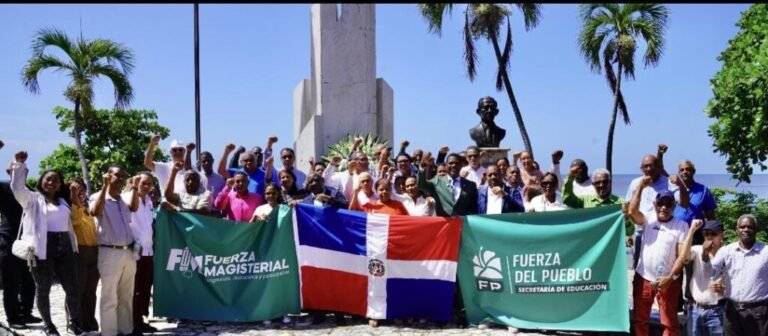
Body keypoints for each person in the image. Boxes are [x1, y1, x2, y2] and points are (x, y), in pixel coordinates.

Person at [10, 151, 83, 336]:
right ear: (41, 181)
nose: (51, 183)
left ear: (59, 185)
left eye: (55, 180)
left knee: (72, 287)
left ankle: (74, 322)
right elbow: (17, 188)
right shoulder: (32, 199)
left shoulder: (62, 201)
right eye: (48, 179)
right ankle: (48, 325)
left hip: (65, 244)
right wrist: (19, 164)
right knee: (43, 289)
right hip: (42, 247)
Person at [627, 176, 691, 336]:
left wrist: (670, 277)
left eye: (668, 204)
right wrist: (640, 187)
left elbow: (682, 256)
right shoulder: (649, 218)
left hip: (668, 281)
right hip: (644, 278)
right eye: (661, 203)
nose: (664, 207)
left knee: (669, 323)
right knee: (640, 320)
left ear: (674, 206)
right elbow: (632, 212)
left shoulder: (681, 225)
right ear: (655, 204)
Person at [90, 165, 140, 336]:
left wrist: (134, 187)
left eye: (122, 176)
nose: (120, 179)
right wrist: (104, 186)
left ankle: (126, 330)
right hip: (109, 252)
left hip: (127, 252)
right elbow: (95, 211)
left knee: (126, 294)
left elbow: (134, 208)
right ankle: (109, 333)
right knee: (109, 295)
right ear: (108, 175)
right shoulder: (97, 197)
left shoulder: (122, 200)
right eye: (117, 175)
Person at [706, 214, 768, 336]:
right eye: (742, 227)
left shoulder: (765, 252)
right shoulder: (727, 251)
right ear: (737, 230)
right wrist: (705, 255)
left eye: (750, 227)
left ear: (756, 229)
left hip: (758, 312)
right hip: (732, 311)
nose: (745, 230)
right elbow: (711, 271)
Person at [0, 156, 39, 330]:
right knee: (12, 282)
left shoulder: (32, 191)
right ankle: (13, 317)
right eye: (16, 168)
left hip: (29, 241)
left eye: (23, 169)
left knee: (29, 280)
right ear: (10, 172)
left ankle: (26, 312)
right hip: (9, 240)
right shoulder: (2, 187)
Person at [677, 219, 725, 336]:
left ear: (722, 236)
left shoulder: (727, 253)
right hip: (695, 309)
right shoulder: (697, 250)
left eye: (713, 234)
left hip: (717, 310)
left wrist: (725, 288)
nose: (709, 237)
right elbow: (683, 256)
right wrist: (692, 230)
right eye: (706, 234)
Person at [122, 173, 157, 333]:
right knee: (134, 288)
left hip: (148, 250)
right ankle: (133, 323)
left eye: (149, 183)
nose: (146, 186)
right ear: (136, 182)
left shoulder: (149, 201)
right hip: (135, 249)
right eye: (143, 183)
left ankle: (141, 319)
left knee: (144, 287)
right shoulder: (128, 197)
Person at [67, 178, 99, 332]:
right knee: (78, 291)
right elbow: (76, 220)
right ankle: (75, 323)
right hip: (79, 253)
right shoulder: (70, 208)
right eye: (75, 189)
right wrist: (73, 197)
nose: (80, 192)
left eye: (82, 189)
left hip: (94, 252)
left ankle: (90, 322)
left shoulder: (89, 208)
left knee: (90, 292)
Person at [418, 152, 479, 217]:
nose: (454, 165)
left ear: (461, 165)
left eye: (456, 163)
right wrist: (422, 167)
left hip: (463, 224)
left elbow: (474, 209)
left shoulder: (471, 185)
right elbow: (422, 185)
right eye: (451, 163)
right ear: (446, 165)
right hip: (444, 224)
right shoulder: (437, 181)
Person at [670, 160, 717, 244]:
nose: (685, 172)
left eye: (688, 169)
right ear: (678, 172)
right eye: (682, 170)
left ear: (693, 171)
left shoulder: (703, 190)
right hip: (676, 231)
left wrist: (711, 236)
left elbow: (710, 216)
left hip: (696, 234)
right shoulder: (673, 189)